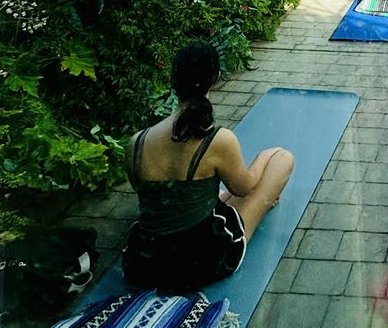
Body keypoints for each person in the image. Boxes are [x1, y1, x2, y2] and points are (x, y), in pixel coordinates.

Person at [122, 44, 295, 294]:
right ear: (215, 78)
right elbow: (245, 187)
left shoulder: (136, 142)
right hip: (200, 260)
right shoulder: (218, 140)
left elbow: (161, 198)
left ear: (173, 81)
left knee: (212, 194)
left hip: (146, 262)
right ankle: (256, 186)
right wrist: (264, 157)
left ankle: (219, 202)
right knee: (283, 159)